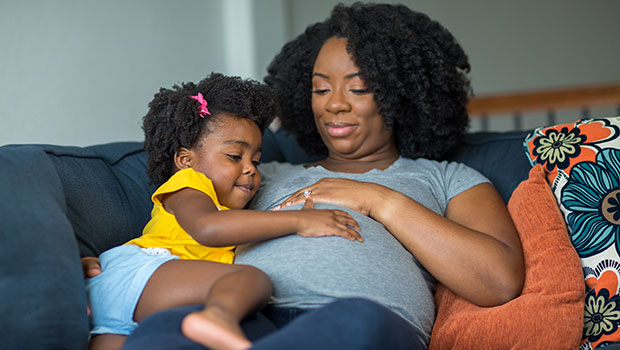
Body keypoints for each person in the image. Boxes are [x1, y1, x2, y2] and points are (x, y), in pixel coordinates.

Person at [84, 3, 525, 349]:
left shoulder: (446, 179)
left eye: (358, 87)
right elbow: (181, 225)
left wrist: (378, 200)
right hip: (241, 317)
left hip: (357, 323)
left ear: (400, 92)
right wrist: (106, 267)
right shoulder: (253, 173)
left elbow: (498, 281)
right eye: (319, 88)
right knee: (168, 328)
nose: (333, 104)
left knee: (358, 322)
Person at [84, 73, 362, 350]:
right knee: (249, 279)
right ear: (185, 160)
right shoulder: (189, 185)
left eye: (255, 160)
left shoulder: (225, 206)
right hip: (142, 272)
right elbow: (208, 227)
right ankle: (218, 317)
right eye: (234, 156)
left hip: (122, 308)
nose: (251, 168)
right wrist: (299, 220)